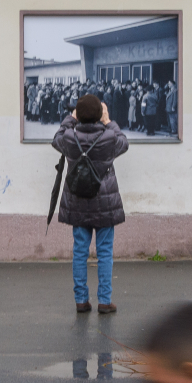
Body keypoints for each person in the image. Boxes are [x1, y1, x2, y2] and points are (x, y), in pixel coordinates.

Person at [52, 95, 129, 314]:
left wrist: (71, 118)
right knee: (105, 252)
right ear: (99, 114)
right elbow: (124, 142)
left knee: (80, 251)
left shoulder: (69, 137)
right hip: (105, 203)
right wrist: (108, 120)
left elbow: (56, 138)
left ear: (78, 114)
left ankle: (81, 300)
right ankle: (104, 301)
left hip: (78, 201)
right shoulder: (109, 138)